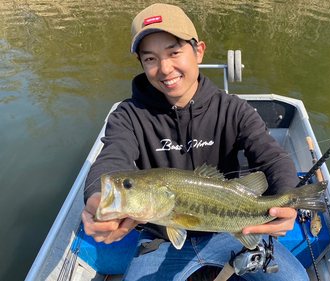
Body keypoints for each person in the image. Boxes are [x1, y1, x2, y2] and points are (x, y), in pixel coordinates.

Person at [82, 3, 309, 281]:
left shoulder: (233, 109)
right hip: (160, 238)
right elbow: (111, 159)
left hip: (228, 230)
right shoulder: (128, 116)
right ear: (141, 64)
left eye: (174, 52)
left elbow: (272, 158)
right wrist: (96, 198)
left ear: (198, 51)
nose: (165, 68)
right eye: (150, 58)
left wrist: (288, 200)